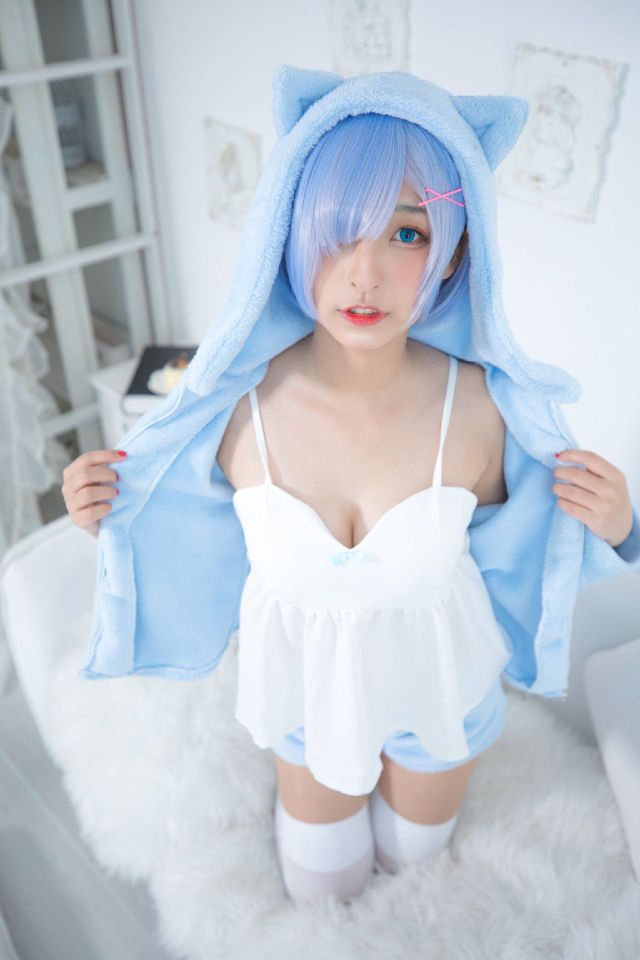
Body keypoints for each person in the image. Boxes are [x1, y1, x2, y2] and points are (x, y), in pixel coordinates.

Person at [61, 65, 639, 906]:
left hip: (442, 696)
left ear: (455, 251)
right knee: (319, 893)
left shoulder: (482, 408)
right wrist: (103, 511)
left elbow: (536, 542)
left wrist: (621, 525)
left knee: (416, 874)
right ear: (286, 234)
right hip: (307, 700)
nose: (364, 274)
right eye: (337, 232)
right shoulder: (237, 407)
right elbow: (179, 529)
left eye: (406, 233)